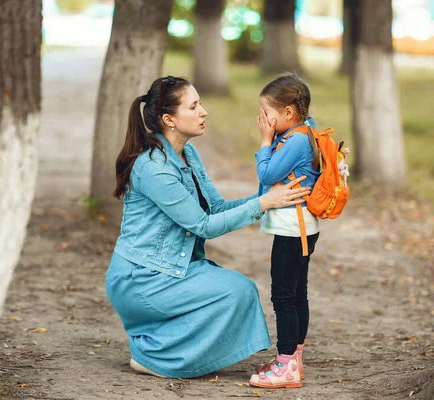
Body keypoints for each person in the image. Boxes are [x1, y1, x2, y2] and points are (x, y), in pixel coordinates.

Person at [105, 75, 311, 379]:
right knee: (234, 293)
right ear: (169, 120)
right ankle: (153, 355)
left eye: (200, 103)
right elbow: (203, 225)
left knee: (239, 291)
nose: (204, 112)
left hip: (174, 267)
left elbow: (217, 208)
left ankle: (157, 342)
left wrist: (269, 195)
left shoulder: (188, 153)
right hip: (143, 278)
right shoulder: (154, 168)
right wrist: (264, 204)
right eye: (194, 106)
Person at [249, 74, 322, 389]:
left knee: (283, 296)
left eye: (268, 112)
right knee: (296, 294)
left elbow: (267, 173)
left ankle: (286, 363)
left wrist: (265, 141)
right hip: (302, 227)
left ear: (289, 112)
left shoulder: (295, 140)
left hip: (295, 229)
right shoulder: (303, 132)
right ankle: (294, 360)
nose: (263, 119)